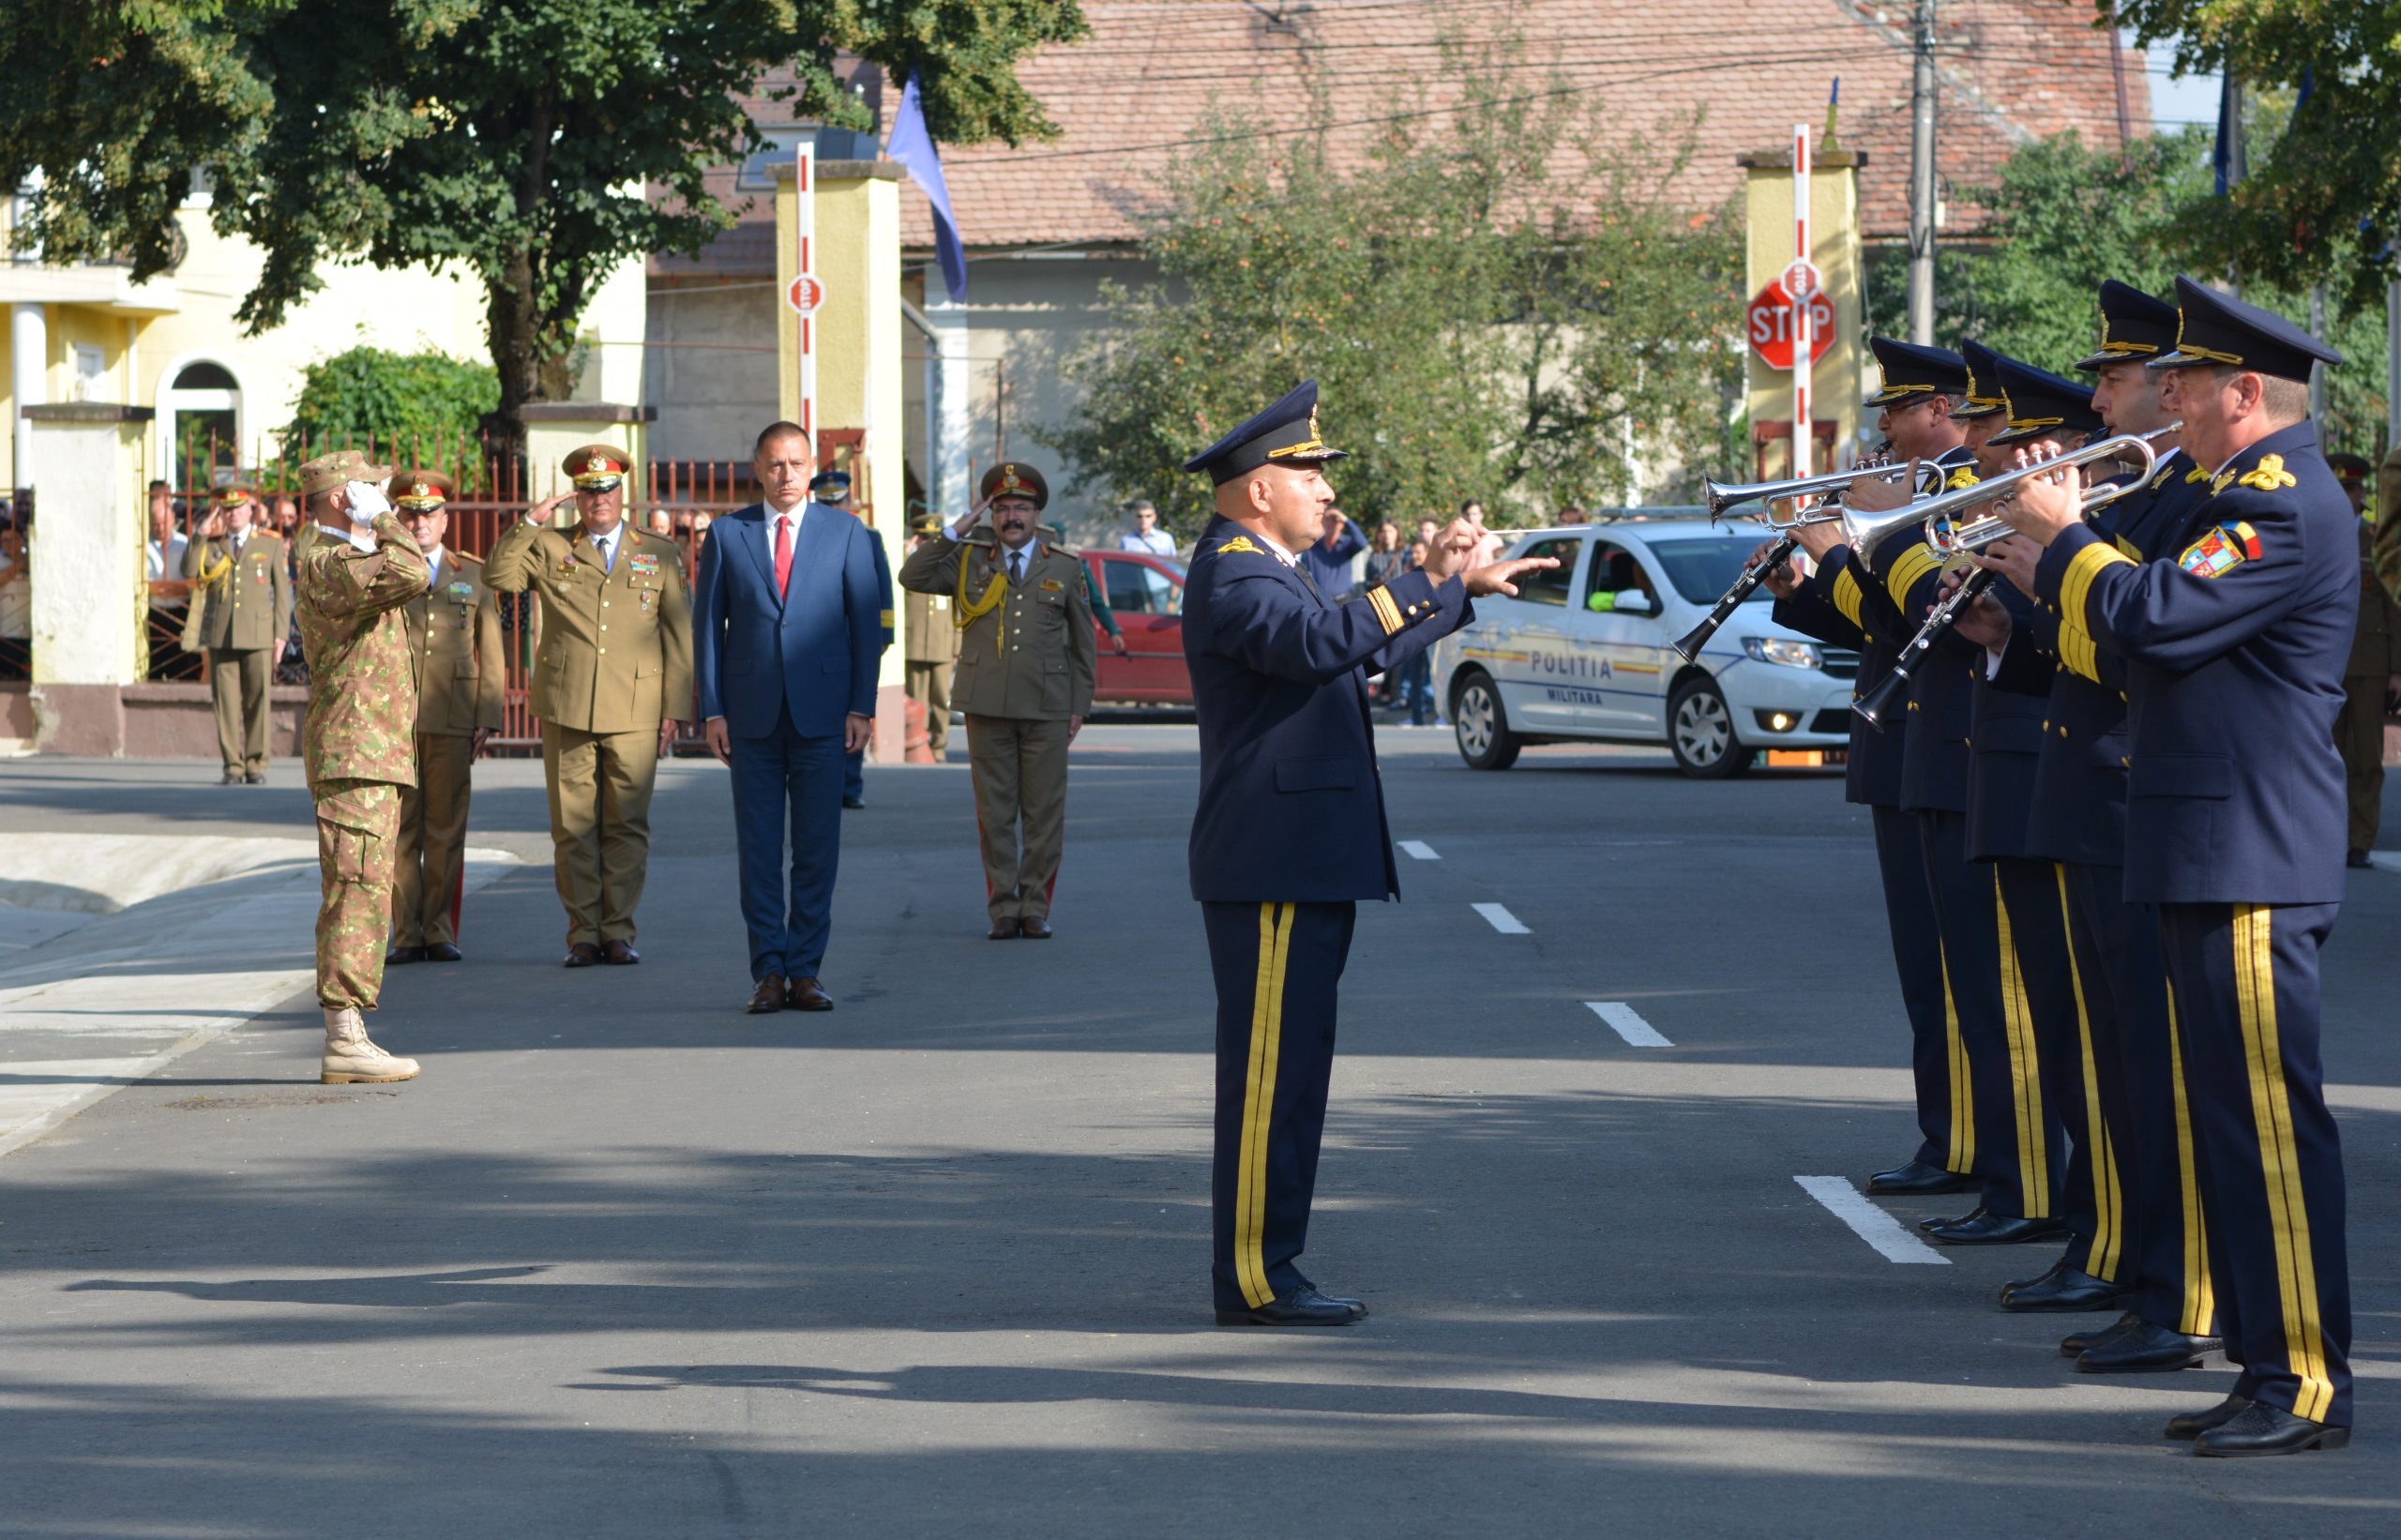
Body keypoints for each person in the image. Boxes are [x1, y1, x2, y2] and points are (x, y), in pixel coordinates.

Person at [1990, 276, 2355, 1457]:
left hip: (2248, 852)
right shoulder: (2230, 499)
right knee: (2224, 1129)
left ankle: (2304, 1381)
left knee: (2266, 1131)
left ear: (2243, 392)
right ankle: (2262, 1366)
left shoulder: (2280, 505)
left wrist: (2065, 535)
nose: (2170, 405)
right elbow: (2133, 638)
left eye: (2186, 384)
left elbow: (2150, 614)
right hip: (2206, 845)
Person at [1181, 381, 1551, 1326]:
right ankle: (1256, 1277)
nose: (1327, 491)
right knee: (1270, 1082)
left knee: (1296, 1074)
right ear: (1259, 488)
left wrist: (1453, 593)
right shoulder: (1234, 571)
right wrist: (1421, 579)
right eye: (1309, 474)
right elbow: (1315, 646)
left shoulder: (1275, 566)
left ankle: (1273, 1265)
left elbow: (1357, 654)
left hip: (1299, 856)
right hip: (1272, 860)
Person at [1955, 280, 2220, 1370]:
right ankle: (2136, 1267)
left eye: (2116, 380)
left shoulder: (2188, 503)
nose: (2100, 404)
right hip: (2096, 795)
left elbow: (2139, 639)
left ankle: (2170, 1285)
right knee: (2114, 1060)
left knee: (2154, 1069)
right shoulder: (2144, 497)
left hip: (2130, 798)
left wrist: (2050, 566)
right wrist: (2013, 605)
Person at [1765, 336, 1980, 1214]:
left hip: (1950, 744)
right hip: (1903, 744)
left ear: (1939, 411)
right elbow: (1878, 620)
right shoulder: (1912, 490)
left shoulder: (1961, 492)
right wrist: (1804, 585)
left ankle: (1978, 1143)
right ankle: (1951, 1135)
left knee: (1962, 969)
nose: (1883, 429)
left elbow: (1926, 612)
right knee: (1925, 966)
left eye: (1895, 411)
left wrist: (1842, 552)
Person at [692, 423, 884, 1013]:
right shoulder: (729, 534)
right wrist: (713, 709)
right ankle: (768, 974)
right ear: (757, 469)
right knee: (759, 852)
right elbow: (707, 628)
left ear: (811, 468)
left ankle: (805, 971)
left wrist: (862, 705)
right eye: (775, 464)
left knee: (816, 850)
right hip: (750, 718)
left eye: (796, 464)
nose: (786, 475)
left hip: (823, 716)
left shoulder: (846, 533)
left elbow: (865, 626)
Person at [484, 443, 693, 967]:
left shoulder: (659, 552)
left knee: (627, 825)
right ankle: (583, 932)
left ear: (623, 492)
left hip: (637, 707)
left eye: (607, 489)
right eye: (588, 490)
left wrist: (675, 709)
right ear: (576, 496)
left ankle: (618, 930)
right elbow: (497, 577)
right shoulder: (550, 545)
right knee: (572, 828)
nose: (599, 499)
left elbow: (679, 636)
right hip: (568, 704)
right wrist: (529, 523)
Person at [897, 460, 1095, 940]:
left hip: (1047, 707)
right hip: (986, 705)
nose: (1012, 517)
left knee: (1044, 813)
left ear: (1036, 514)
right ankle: (1004, 908)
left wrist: (1079, 706)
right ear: (990, 515)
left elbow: (1083, 644)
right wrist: (957, 528)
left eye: (1021, 508)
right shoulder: (967, 559)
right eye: (1002, 508)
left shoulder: (1064, 566)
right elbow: (912, 575)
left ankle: (1035, 907)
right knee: (995, 814)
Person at [292, 448, 429, 1085]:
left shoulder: (347, 558)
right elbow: (414, 570)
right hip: (356, 751)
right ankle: (343, 1036)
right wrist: (384, 521)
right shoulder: (327, 562)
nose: (384, 496)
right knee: (357, 887)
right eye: (370, 488)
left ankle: (349, 1032)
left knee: (366, 885)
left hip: (369, 750)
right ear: (342, 498)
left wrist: (374, 525)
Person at [383, 471, 504, 967]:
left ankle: (439, 930)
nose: (420, 523)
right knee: (400, 830)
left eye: (429, 514)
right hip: (396, 719)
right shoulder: (385, 570)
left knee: (446, 828)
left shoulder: (473, 574)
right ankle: (406, 933)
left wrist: (488, 714)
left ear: (445, 520)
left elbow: (490, 650)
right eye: (411, 515)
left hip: (453, 716)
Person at [181, 479, 294, 785]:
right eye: (227, 509)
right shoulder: (211, 544)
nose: (233, 514)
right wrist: (199, 534)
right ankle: (232, 765)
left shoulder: (269, 543)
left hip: (258, 635)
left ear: (250, 509)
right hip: (221, 634)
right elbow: (188, 571)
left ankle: (256, 764)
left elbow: (283, 594)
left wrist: (281, 635)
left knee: (258, 702)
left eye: (238, 508)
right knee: (226, 704)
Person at [2326, 452, 2400, 866]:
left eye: (2350, 491)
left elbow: (2393, 607)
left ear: (2359, 495)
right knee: (2326, 755)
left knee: (2368, 759)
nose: (2345, 498)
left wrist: (2397, 670)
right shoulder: (2317, 533)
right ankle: (2330, 837)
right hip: (2324, 663)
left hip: (2371, 664)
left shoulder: (2375, 540)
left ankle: (2360, 841)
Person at [809, 467, 896, 811]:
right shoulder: (806, 535)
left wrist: (883, 635)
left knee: (854, 711)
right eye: (826, 503)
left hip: (853, 640)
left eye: (838, 502)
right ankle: (818, 784)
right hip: (815, 642)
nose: (834, 509)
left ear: (850, 502)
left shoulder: (867, 536)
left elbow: (882, 589)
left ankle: (849, 786)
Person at [902, 513, 961, 757]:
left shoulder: (947, 565)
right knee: (917, 699)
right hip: (915, 643)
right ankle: (921, 744)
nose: (926, 543)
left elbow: (960, 608)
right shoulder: (908, 565)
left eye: (931, 539)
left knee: (941, 699)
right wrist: (906, 553)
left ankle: (938, 747)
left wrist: (957, 646)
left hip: (942, 643)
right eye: (922, 538)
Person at [1295, 505, 1365, 596]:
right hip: (1320, 600)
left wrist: (1345, 519)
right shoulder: (1314, 546)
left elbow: (1362, 543)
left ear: (1342, 524)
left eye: (1335, 519)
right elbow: (1302, 570)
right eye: (1327, 519)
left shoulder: (1346, 544)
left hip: (1345, 599)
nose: (1330, 523)